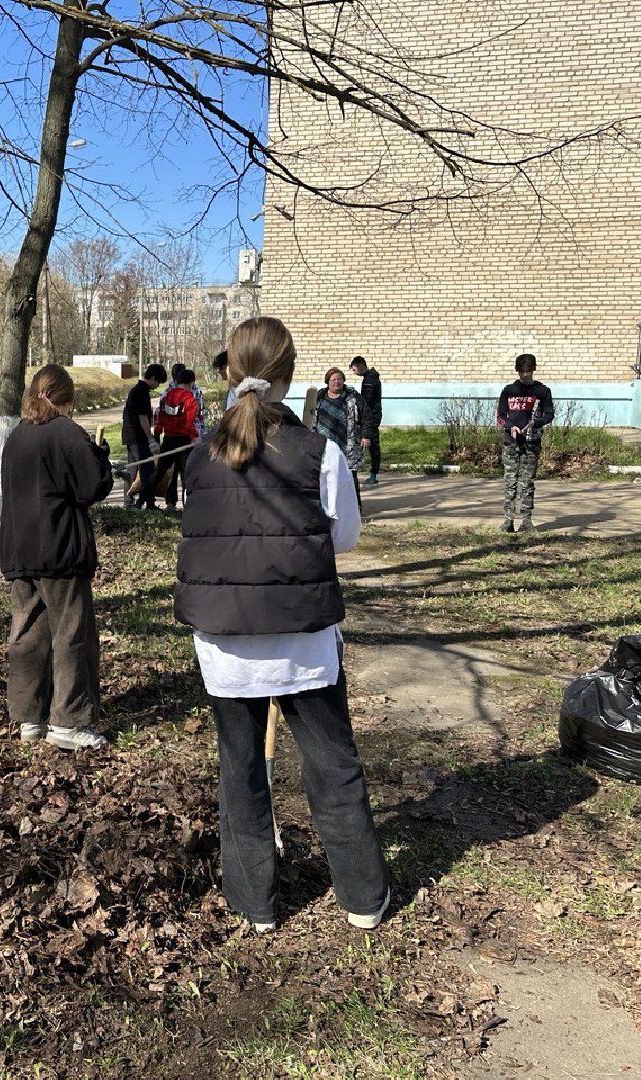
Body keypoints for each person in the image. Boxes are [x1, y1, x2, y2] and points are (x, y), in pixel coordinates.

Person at [175, 316, 390, 933]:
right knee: (332, 764)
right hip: (302, 640)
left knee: (239, 770)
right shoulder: (320, 452)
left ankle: (254, 903)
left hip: (224, 643)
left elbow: (206, 536)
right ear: (291, 375)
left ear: (228, 372)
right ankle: (361, 897)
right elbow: (344, 536)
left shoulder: (199, 455)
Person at [0, 364, 114, 750]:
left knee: (28, 635)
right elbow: (92, 486)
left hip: (21, 551)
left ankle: (29, 718)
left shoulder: (16, 436)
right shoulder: (67, 432)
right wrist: (100, 457)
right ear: (67, 398)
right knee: (71, 635)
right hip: (61, 550)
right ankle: (68, 721)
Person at [496, 353, 554, 532]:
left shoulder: (542, 391)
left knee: (527, 481)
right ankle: (508, 521)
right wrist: (510, 426)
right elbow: (500, 416)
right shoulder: (508, 390)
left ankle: (526, 521)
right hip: (511, 441)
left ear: (534, 370)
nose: (525, 375)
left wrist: (534, 423)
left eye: (528, 372)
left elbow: (549, 414)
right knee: (510, 481)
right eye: (522, 372)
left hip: (532, 441)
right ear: (517, 371)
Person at [312, 366, 370, 502]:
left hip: (347, 443)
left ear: (343, 381)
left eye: (339, 379)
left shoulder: (353, 397)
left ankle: (355, 506)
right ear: (327, 382)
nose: (336, 382)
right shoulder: (319, 396)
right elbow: (309, 417)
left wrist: (366, 435)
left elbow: (366, 415)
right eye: (333, 380)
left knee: (349, 475)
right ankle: (327, 505)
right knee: (325, 475)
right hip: (324, 444)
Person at [154, 367, 200, 510]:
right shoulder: (191, 397)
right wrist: (195, 438)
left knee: (160, 472)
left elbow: (159, 415)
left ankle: (144, 501)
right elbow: (191, 421)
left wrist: (157, 432)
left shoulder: (167, 395)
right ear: (191, 382)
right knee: (187, 474)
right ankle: (189, 505)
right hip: (184, 440)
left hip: (169, 439)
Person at [122, 363, 166, 510]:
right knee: (147, 470)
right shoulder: (141, 392)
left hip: (129, 435)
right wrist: (151, 439)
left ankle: (129, 503)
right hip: (138, 436)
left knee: (132, 470)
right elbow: (143, 419)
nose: (158, 385)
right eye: (158, 381)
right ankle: (147, 503)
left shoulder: (136, 389)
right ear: (153, 378)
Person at [350, 356, 382, 486]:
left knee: (373, 445)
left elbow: (366, 401)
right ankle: (373, 474)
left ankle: (373, 476)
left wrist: (356, 399)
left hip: (371, 417)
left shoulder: (369, 380)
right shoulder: (371, 377)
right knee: (373, 445)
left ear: (360, 366)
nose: (354, 372)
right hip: (374, 415)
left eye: (354, 369)